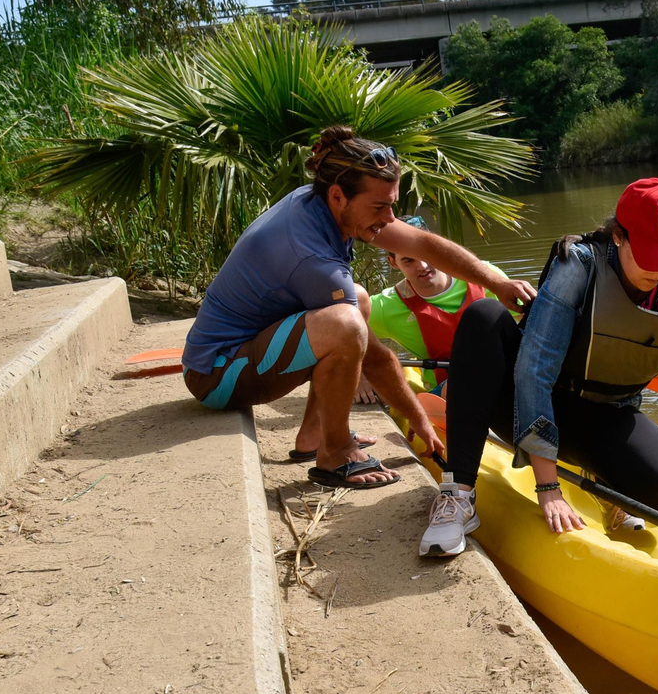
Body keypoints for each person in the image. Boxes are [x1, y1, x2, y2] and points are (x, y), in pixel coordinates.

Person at [180, 125, 535, 489]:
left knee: (358, 300)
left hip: (237, 355)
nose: (389, 217)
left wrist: (497, 284)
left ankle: (313, 435)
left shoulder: (319, 202)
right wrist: (418, 416)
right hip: (218, 376)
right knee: (346, 325)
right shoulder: (311, 258)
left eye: (392, 204)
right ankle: (334, 453)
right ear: (338, 196)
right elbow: (374, 358)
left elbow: (423, 244)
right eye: (380, 206)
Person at [419, 178, 658, 556]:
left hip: (601, 414)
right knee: (484, 316)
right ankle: (458, 495)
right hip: (522, 401)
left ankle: (605, 486)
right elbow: (534, 370)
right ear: (619, 236)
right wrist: (548, 488)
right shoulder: (578, 266)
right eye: (649, 253)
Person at [362, 215, 508, 398]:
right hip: (447, 394)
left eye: (425, 254)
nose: (422, 266)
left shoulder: (486, 276)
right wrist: (360, 375)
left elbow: (527, 325)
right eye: (409, 260)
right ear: (393, 263)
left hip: (504, 379)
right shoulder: (385, 306)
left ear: (436, 248)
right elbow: (342, 328)